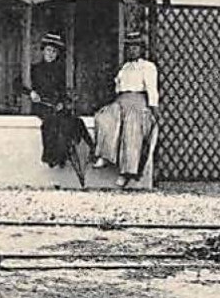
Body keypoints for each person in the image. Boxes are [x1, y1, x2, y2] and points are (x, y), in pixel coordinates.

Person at [93, 39, 159, 188]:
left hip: (138, 101)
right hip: (122, 100)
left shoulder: (147, 67)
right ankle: (105, 154)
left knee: (132, 128)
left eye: (135, 48)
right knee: (104, 117)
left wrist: (153, 110)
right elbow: (118, 88)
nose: (132, 51)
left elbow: (152, 90)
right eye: (129, 48)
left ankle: (127, 172)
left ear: (142, 50)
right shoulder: (125, 68)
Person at [26, 33, 91, 182]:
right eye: (48, 50)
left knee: (73, 121)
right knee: (52, 122)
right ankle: (54, 156)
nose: (51, 54)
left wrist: (62, 101)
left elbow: (62, 92)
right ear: (43, 51)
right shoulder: (34, 69)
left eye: (54, 52)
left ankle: (81, 151)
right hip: (41, 105)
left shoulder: (59, 71)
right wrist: (31, 92)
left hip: (55, 105)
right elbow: (18, 84)